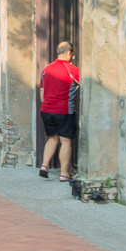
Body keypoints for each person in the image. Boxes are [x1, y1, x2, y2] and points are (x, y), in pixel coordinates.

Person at [39, 41, 80, 182]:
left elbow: (42, 93)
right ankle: (64, 174)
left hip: (46, 110)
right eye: (72, 53)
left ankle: (44, 166)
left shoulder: (46, 69)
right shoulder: (72, 69)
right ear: (69, 52)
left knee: (52, 138)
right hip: (63, 111)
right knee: (66, 141)